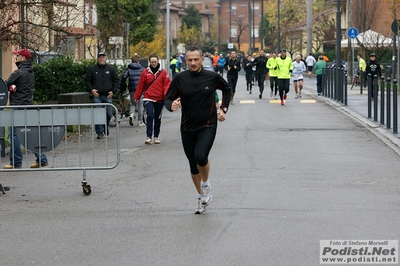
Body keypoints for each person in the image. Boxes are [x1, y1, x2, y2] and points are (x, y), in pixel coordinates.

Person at [164, 46, 232, 214]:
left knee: (201, 156)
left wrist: (223, 109)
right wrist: (171, 106)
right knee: (193, 166)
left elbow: (227, 89)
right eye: (190, 60)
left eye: (196, 59)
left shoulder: (212, 77)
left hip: (208, 124)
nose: (193, 63)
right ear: (185, 61)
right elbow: (167, 98)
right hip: (187, 126)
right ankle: (201, 197)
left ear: (202, 59)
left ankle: (206, 184)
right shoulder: (180, 78)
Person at [3, 49, 48, 169]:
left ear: (23, 58)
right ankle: (42, 159)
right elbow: (22, 86)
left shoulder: (18, 73)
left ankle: (16, 162)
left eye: (17, 56)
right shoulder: (30, 72)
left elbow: (5, 85)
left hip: (17, 106)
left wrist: (11, 86)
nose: (15, 57)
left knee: (14, 135)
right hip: (28, 105)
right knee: (29, 134)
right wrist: (14, 86)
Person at [134, 53, 171, 144]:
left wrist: (167, 96)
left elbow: (167, 85)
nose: (153, 63)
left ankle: (156, 136)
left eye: (155, 62)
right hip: (148, 97)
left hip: (159, 98)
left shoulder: (163, 72)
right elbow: (141, 86)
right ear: (149, 62)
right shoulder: (145, 72)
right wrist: (137, 97)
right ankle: (148, 136)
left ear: (158, 61)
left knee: (158, 118)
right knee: (150, 115)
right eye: (152, 62)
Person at [85, 52, 119, 139]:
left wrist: (113, 91)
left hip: (108, 95)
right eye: (100, 57)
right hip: (97, 96)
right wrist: (92, 90)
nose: (101, 59)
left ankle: (104, 127)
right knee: (98, 114)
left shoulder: (111, 69)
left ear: (105, 58)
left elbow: (116, 80)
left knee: (108, 114)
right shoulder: (92, 69)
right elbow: (87, 80)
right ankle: (100, 132)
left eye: (103, 57)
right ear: (97, 59)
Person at [120, 54, 145, 127]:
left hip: (132, 89)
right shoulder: (143, 69)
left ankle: (132, 114)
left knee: (133, 103)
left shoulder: (128, 69)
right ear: (138, 61)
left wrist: (123, 86)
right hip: (140, 89)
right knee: (140, 104)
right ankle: (140, 121)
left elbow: (124, 77)